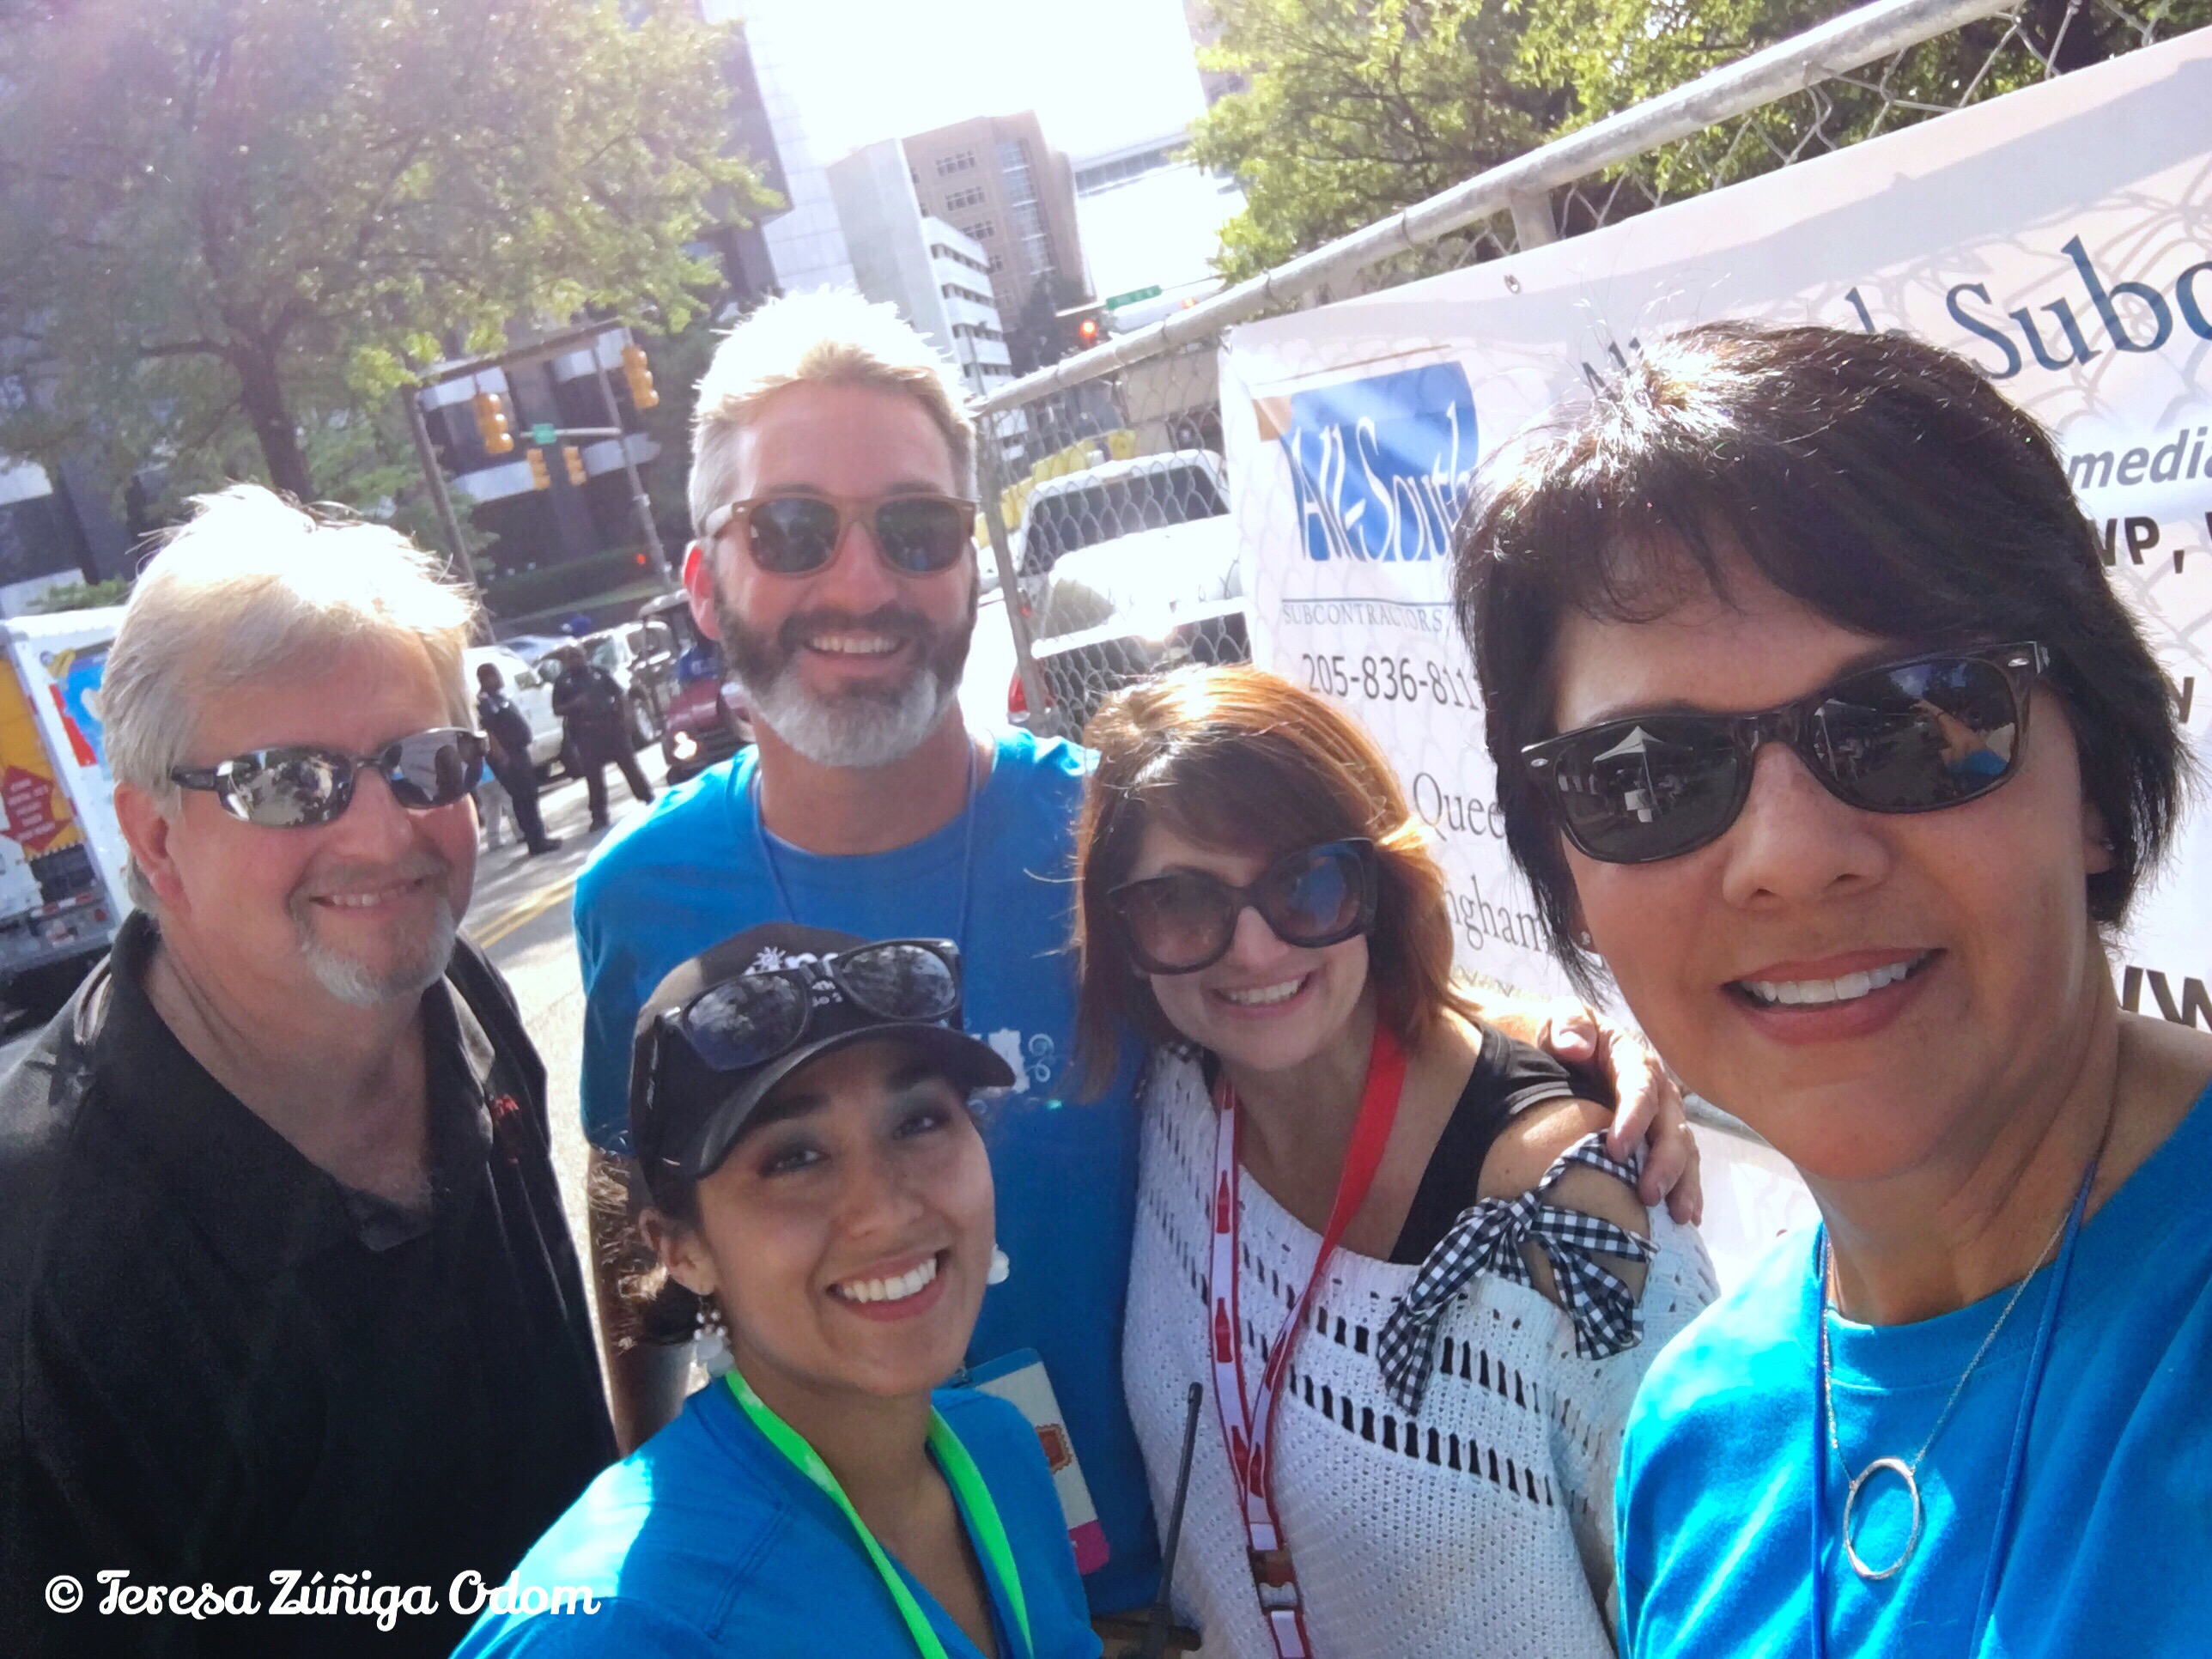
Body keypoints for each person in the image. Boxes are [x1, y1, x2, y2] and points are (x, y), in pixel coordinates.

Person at [573, 289, 1701, 1632]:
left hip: (1174, 1586)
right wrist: (654, 1510)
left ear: (970, 569)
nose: (862, 585)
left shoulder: (1104, 834)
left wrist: (1553, 1047)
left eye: (916, 530)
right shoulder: (637, 897)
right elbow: (633, 1216)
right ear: (705, 581)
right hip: (858, 1598)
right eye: (793, 530)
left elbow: (1283, 977)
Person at [1449, 322, 2211, 1657]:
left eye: (1914, 720)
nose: (1790, 859)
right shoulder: (1693, 1442)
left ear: (2095, 784)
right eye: (1647, 776)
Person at [0, 487, 614, 1657]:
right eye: (286, 781)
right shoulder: (46, 1270)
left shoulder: (458, 994)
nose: (385, 836)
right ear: (156, 837)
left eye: (425, 765)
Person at [1072, 665, 1717, 1657]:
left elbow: (1722, 1592)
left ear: (1376, 883)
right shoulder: (1171, 1099)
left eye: (1305, 883)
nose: (1252, 949)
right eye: (1181, 901)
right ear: (1124, 928)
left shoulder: (1571, 1203)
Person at [459, 924, 1101, 1656]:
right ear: (682, 1249)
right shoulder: (615, 1627)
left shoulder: (1002, 1450)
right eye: (794, 1158)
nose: (887, 1213)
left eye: (919, 1121)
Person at [551, 641, 653, 830]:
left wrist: (626, 716)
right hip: (585, 733)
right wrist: (574, 704)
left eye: (578, 655)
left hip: (611, 727)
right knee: (593, 776)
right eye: (571, 658)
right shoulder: (563, 681)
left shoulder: (599, 672)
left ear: (585, 656)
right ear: (566, 661)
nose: (575, 660)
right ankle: (599, 815)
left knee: (629, 765)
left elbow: (620, 694)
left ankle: (647, 797)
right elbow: (557, 709)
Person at [478, 659, 562, 855]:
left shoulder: (498, 698)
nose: (499, 678)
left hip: (518, 752)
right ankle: (536, 841)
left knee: (529, 795)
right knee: (524, 797)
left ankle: (537, 838)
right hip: (509, 756)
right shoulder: (486, 702)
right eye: (495, 675)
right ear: (486, 679)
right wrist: (500, 753)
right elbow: (489, 729)